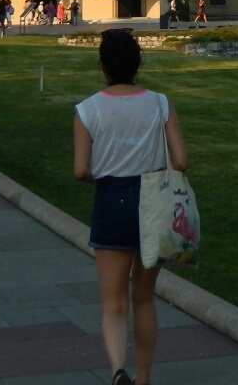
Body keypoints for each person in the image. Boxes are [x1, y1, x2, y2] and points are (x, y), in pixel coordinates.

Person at [73, 30, 188, 385]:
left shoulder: (87, 109)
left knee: (113, 303)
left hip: (110, 199)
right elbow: (181, 160)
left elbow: (80, 170)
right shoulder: (159, 103)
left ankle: (116, 369)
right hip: (152, 200)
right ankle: (143, 377)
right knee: (143, 298)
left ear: (103, 66)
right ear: (138, 63)